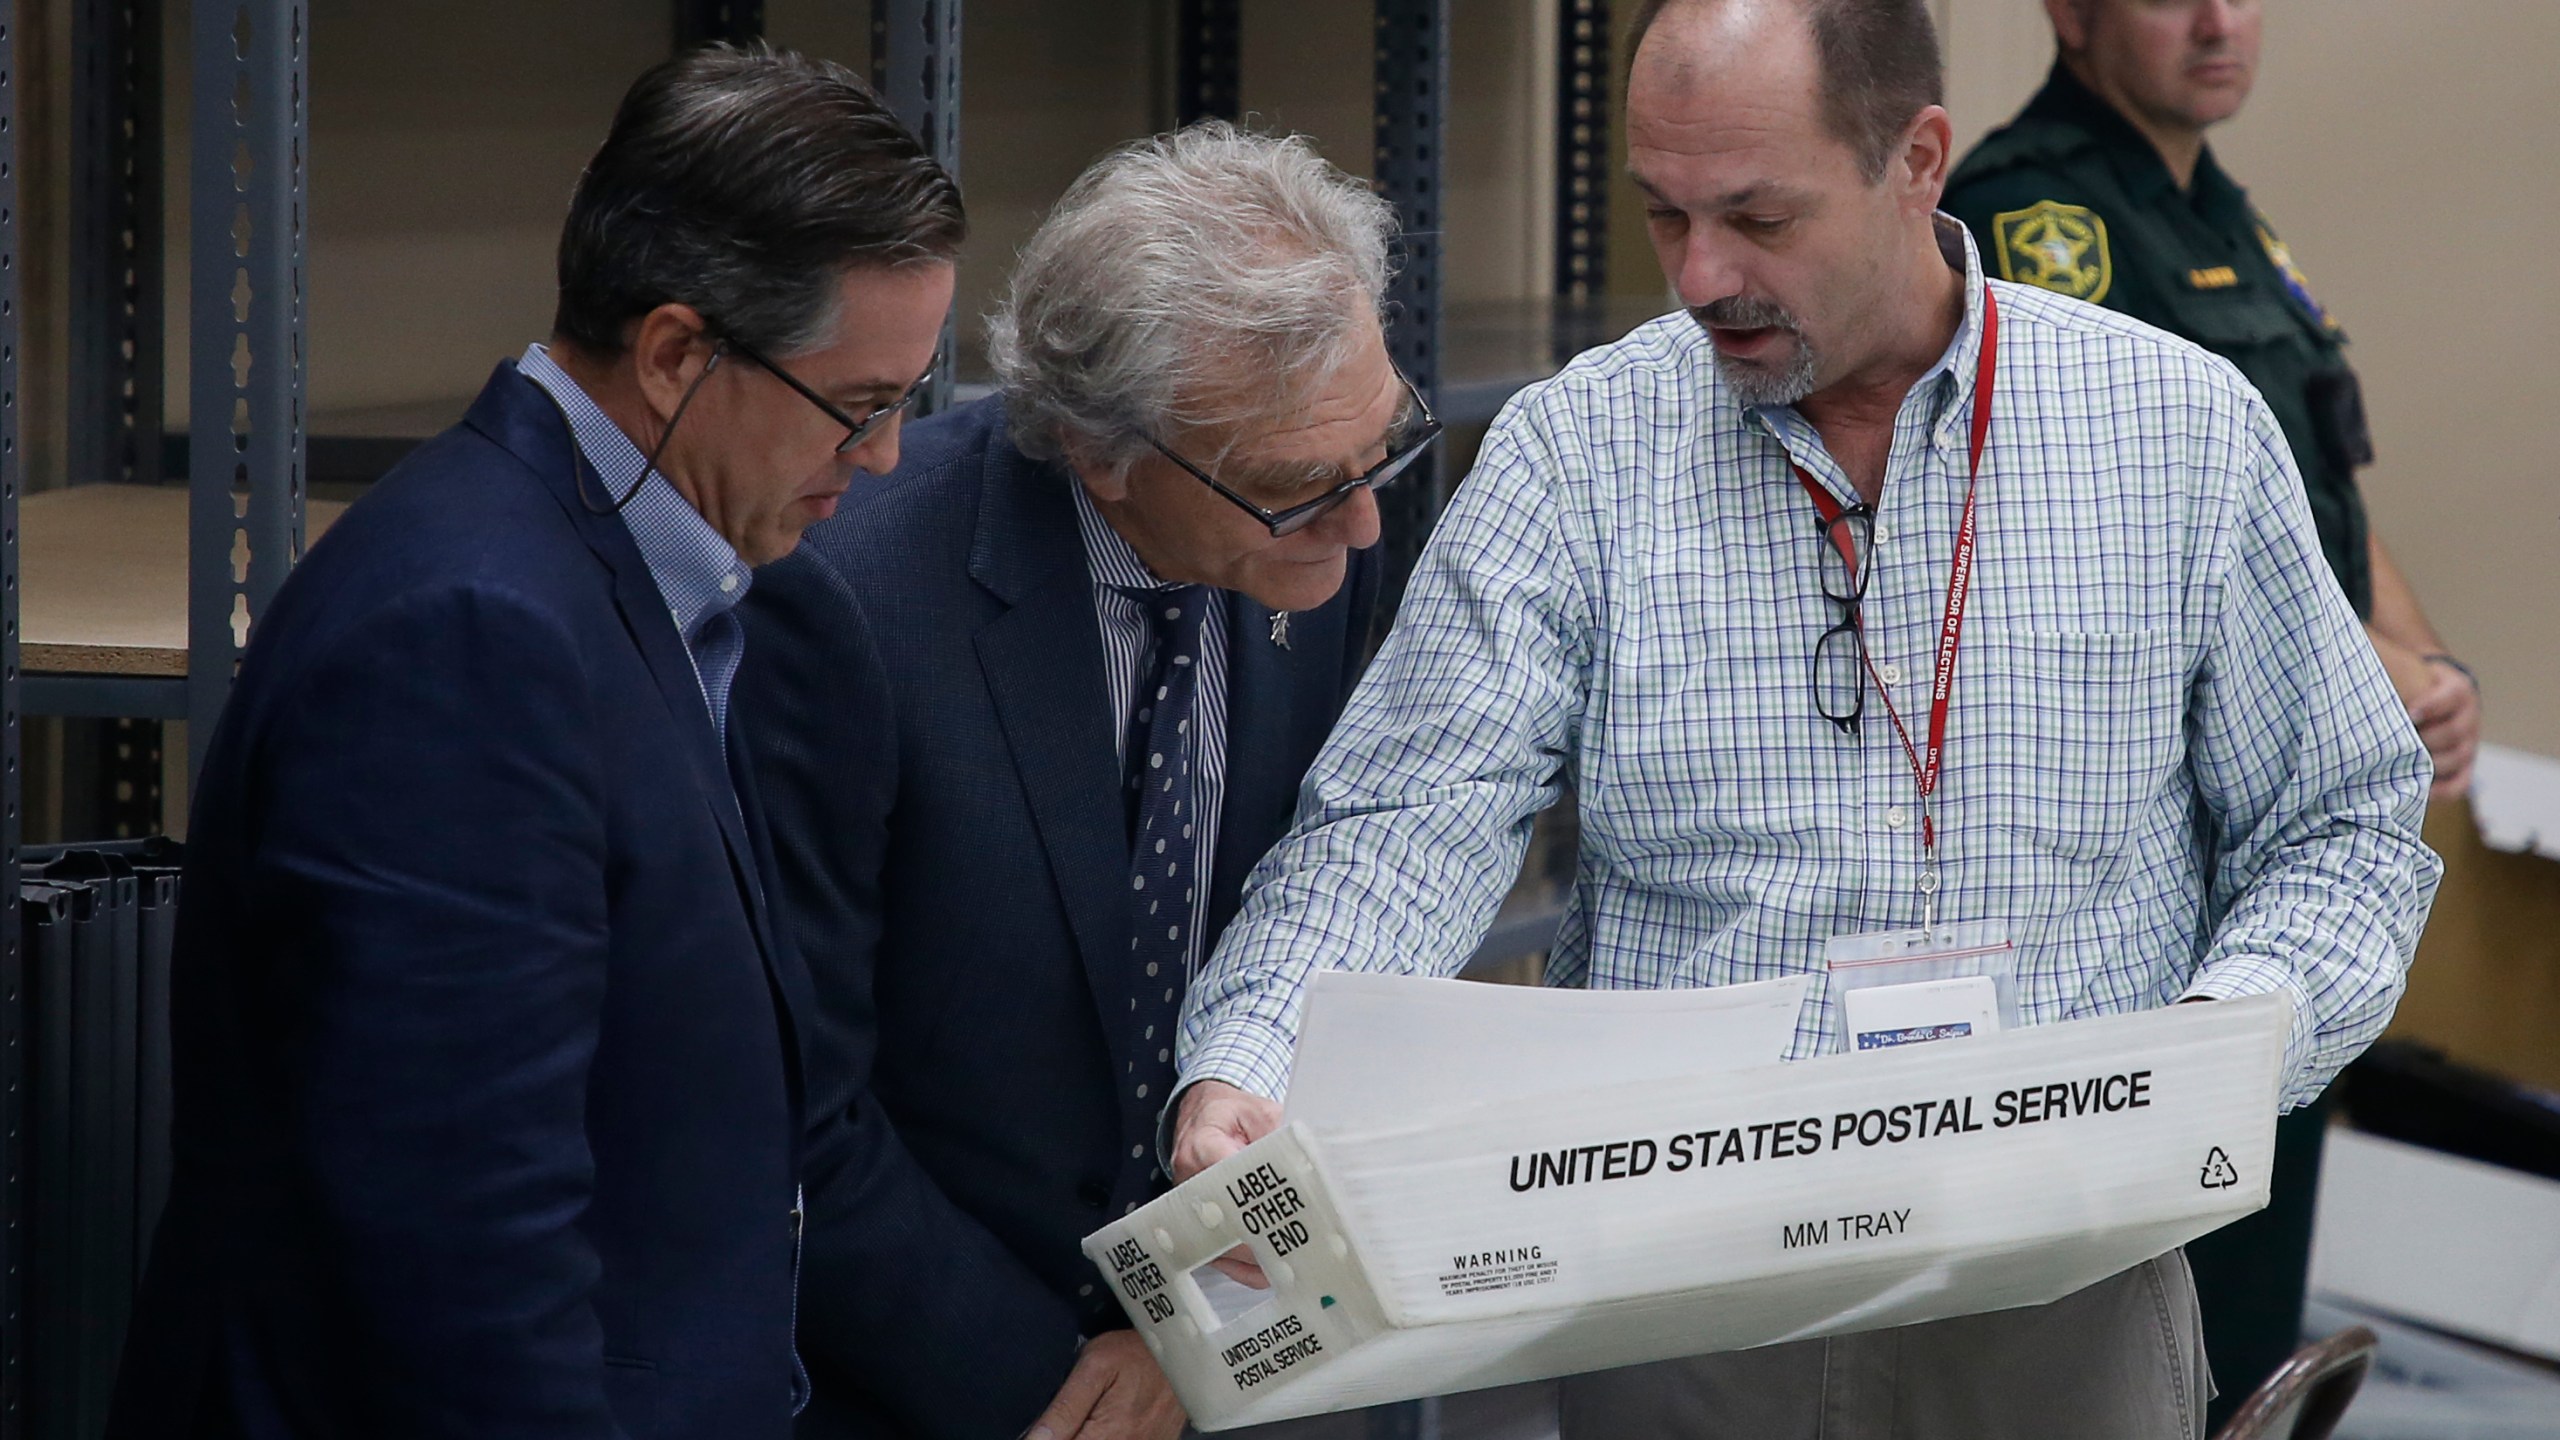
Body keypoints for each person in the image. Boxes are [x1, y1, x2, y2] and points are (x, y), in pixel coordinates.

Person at [1167, 1, 2440, 1435]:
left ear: (1919, 159)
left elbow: (2341, 823)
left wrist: (2211, 1056)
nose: (1705, 275)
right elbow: (1405, 821)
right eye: (1666, 215)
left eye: (1759, 217)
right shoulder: (1580, 452)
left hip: (2061, 1289)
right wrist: (1249, 1070)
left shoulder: (2177, 433)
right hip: (1686, 1293)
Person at [108, 46, 962, 1440]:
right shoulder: (466, 632)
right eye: (858, 405)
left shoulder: (638, 580)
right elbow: (461, 1238)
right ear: (678, 351)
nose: (881, 463)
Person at [735, 123, 1409, 1440]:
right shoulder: (848, 603)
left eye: (1381, 453)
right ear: (1104, 456)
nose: (1364, 522)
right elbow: (791, 1103)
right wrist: (1054, 1382)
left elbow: (1325, 950)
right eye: (1293, 490)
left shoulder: (1321, 533)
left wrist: (1205, 1331)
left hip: (1240, 1347)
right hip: (940, 1380)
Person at [1940, 4, 2476, 1420]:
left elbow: (2326, 490)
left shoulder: (2224, 210)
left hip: (2285, 840)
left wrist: (2430, 674)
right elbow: (2129, 525)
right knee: (2168, 1315)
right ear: (2069, 13)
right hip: (2157, 857)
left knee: (2255, 1279)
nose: (2220, 19)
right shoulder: (2028, 213)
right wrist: (2372, 671)